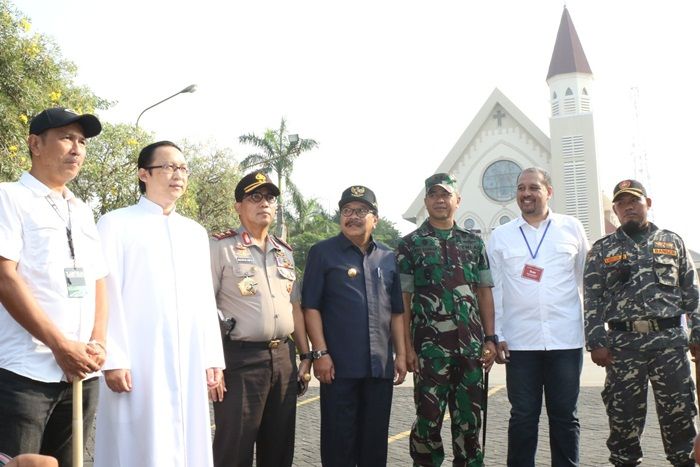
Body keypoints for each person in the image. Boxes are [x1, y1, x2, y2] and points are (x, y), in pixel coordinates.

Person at [93, 141, 225, 466]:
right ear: (143, 173)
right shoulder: (115, 224)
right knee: (135, 443)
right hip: (137, 360)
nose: (177, 175)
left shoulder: (194, 232)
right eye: (167, 167)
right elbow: (104, 294)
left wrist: (212, 358)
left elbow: (204, 300)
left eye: (182, 168)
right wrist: (113, 358)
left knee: (187, 440)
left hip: (188, 358)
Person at [0, 107, 106, 467]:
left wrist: (98, 343)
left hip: (80, 372)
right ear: (35, 144)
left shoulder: (82, 211)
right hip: (25, 374)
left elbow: (97, 279)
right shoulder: (9, 198)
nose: (76, 148)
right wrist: (60, 345)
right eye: (66, 137)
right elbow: (4, 276)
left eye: (81, 141)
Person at [583, 179, 699, 467]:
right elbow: (593, 300)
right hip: (623, 348)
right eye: (622, 203)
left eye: (634, 201)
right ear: (615, 210)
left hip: (670, 346)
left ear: (648, 203)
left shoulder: (672, 242)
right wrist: (596, 342)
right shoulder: (602, 250)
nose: (628, 207)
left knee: (680, 418)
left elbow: (692, 293)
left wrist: (698, 333)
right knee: (623, 422)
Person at [487, 167, 589, 466]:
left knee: (565, 417)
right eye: (521, 188)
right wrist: (497, 334)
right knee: (522, 417)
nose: (526, 193)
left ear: (549, 191)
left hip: (565, 340)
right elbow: (494, 289)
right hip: (520, 343)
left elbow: (585, 278)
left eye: (533, 187)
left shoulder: (571, 228)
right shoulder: (501, 236)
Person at [209, 171, 311, 467]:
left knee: (279, 447)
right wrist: (212, 361)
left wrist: (305, 356)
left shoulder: (285, 252)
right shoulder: (220, 247)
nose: (264, 202)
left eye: (269, 198)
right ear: (238, 206)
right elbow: (204, 308)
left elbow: (295, 308)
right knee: (234, 447)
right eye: (255, 197)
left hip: (283, 358)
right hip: (240, 360)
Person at [397, 173, 497, 466]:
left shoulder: (474, 244)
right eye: (434, 195)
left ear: (457, 200)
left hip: (471, 349)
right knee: (428, 422)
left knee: (469, 423)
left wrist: (490, 338)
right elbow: (403, 300)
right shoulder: (409, 245)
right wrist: (407, 348)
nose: (440, 200)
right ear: (426, 201)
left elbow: (484, 294)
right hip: (430, 350)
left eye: (446, 195)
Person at [302, 185, 407, 466]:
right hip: (338, 370)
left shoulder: (387, 257)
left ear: (376, 218)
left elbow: (397, 311)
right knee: (339, 445)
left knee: (374, 447)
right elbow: (310, 306)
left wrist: (402, 356)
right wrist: (320, 353)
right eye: (347, 211)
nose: (353, 216)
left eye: (361, 211)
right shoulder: (322, 253)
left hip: (379, 369)